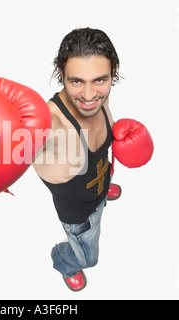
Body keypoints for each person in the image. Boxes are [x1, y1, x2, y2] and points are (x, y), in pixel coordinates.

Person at [33, 27, 122, 291]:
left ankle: (104, 193)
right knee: (88, 258)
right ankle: (64, 261)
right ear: (62, 75)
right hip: (79, 217)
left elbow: (107, 124)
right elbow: (6, 148)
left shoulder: (98, 97)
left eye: (99, 80)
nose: (88, 94)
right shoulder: (51, 125)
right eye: (76, 81)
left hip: (101, 179)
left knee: (103, 179)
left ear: (111, 74)